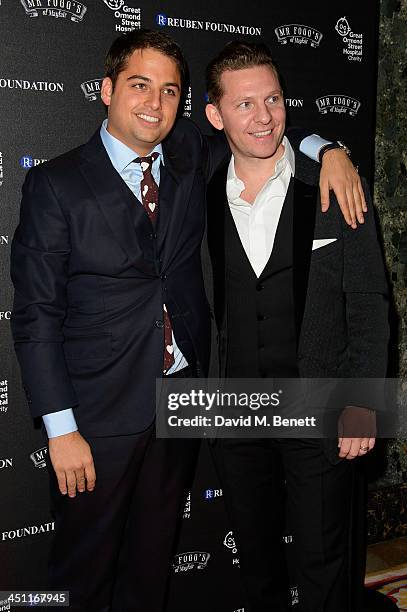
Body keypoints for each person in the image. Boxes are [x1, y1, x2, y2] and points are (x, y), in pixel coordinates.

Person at [10, 29, 366, 612]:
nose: (155, 104)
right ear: (106, 90)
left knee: (150, 570)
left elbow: (262, 129)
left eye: (170, 91)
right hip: (95, 419)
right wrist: (60, 427)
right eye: (140, 85)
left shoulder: (187, 156)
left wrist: (329, 150)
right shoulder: (56, 183)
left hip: (180, 402)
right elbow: (35, 315)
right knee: (83, 576)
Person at [204, 41, 389, 612]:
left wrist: (363, 403)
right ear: (214, 115)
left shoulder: (336, 185)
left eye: (274, 99)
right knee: (255, 563)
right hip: (235, 415)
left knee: (324, 563)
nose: (263, 117)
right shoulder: (198, 189)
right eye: (244, 104)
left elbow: (369, 302)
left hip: (322, 405)